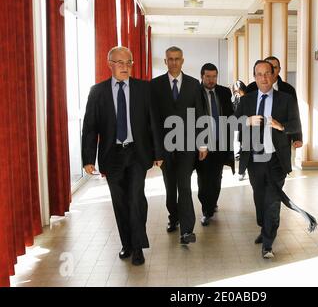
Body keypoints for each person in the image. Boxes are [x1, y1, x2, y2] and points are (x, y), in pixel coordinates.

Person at [81, 46, 163, 266]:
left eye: (129, 62)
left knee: (136, 199)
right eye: (120, 62)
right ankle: (126, 243)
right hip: (112, 154)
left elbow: (153, 122)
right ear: (110, 64)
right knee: (120, 202)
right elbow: (90, 127)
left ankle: (137, 248)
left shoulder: (144, 89)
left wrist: (158, 152)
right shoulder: (97, 92)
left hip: (137, 153)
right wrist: (88, 158)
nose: (125, 67)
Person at [235, 60, 307, 259]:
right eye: (259, 74)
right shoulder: (246, 101)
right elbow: (232, 123)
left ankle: (268, 242)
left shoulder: (286, 99)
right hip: (254, 159)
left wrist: (280, 126)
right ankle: (263, 226)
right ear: (255, 77)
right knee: (260, 199)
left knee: (273, 201)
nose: (264, 78)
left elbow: (296, 125)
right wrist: (246, 121)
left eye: (267, 73)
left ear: (274, 75)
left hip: (277, 159)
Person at [151, 46, 207, 245]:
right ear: (165, 62)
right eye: (170, 59)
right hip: (165, 148)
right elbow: (153, 121)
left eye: (177, 59)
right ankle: (173, 217)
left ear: (182, 60)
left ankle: (186, 230)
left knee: (184, 186)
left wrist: (202, 144)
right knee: (169, 187)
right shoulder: (155, 85)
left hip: (187, 146)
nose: (174, 62)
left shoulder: (193, 85)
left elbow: (201, 114)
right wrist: (156, 152)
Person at [195, 63, 234, 226]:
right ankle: (206, 209)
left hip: (220, 141)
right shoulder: (195, 92)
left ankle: (210, 206)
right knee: (203, 178)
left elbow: (230, 114)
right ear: (202, 76)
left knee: (216, 176)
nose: (211, 80)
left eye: (214, 76)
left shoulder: (224, 92)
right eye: (208, 76)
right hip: (202, 143)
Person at [246, 56, 303, 148]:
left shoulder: (288, 89)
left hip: (281, 140)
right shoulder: (251, 88)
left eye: (274, 67)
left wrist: (297, 137)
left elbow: (294, 115)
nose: (271, 69)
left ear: (279, 70)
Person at [231, 80, 248, 181]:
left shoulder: (249, 98)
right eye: (235, 91)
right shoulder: (237, 99)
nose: (236, 93)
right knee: (243, 149)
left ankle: (242, 171)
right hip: (241, 127)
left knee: (245, 150)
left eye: (238, 90)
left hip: (249, 128)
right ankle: (241, 171)